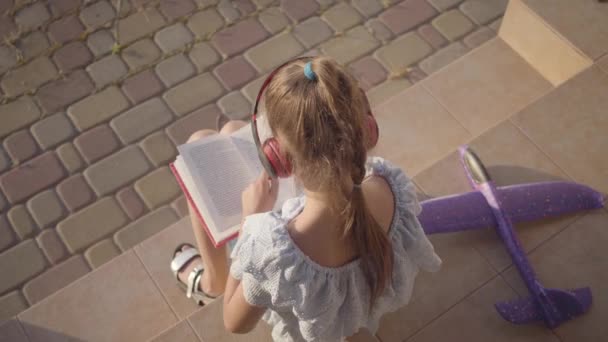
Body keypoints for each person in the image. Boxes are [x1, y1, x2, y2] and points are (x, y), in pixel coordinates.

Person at [170, 56, 441, 341]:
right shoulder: (392, 185)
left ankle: (214, 281)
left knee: (200, 143)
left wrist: (250, 223)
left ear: (278, 159)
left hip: (305, 304)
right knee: (228, 130)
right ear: (367, 130)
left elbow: (234, 323)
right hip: (355, 304)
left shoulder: (272, 251)